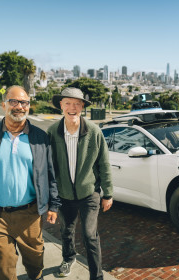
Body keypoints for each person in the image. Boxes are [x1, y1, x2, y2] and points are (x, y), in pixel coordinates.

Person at [0, 85, 61, 280]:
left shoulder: (40, 138)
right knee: (3, 272)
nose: (19, 107)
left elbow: (50, 174)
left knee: (36, 268)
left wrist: (54, 204)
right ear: (3, 105)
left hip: (30, 216)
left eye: (24, 102)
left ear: (29, 106)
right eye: (13, 102)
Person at [47, 87, 113, 280]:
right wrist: (50, 197)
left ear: (82, 106)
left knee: (89, 235)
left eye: (77, 103)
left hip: (89, 193)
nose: (72, 107)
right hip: (63, 194)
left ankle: (96, 275)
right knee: (66, 231)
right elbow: (49, 167)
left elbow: (104, 163)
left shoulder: (94, 131)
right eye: (67, 103)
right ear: (61, 105)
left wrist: (108, 193)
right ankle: (68, 258)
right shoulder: (53, 132)